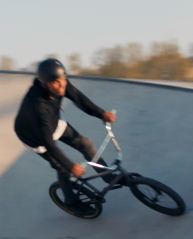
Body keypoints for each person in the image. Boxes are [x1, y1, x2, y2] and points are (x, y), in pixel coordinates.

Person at [14, 58, 119, 214]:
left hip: (54, 123)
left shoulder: (60, 82)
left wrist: (101, 113)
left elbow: (78, 98)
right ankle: (70, 202)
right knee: (63, 168)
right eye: (56, 82)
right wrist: (71, 166)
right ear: (44, 84)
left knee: (85, 144)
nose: (62, 85)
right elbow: (49, 144)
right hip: (35, 137)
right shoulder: (38, 107)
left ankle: (108, 176)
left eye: (63, 79)